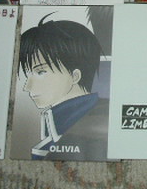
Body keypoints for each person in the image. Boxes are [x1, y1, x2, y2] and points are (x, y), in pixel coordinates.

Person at [18, 15, 108, 160]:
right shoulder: (58, 131)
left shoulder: (93, 127)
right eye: (28, 75)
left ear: (75, 76)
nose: (27, 87)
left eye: (40, 72)